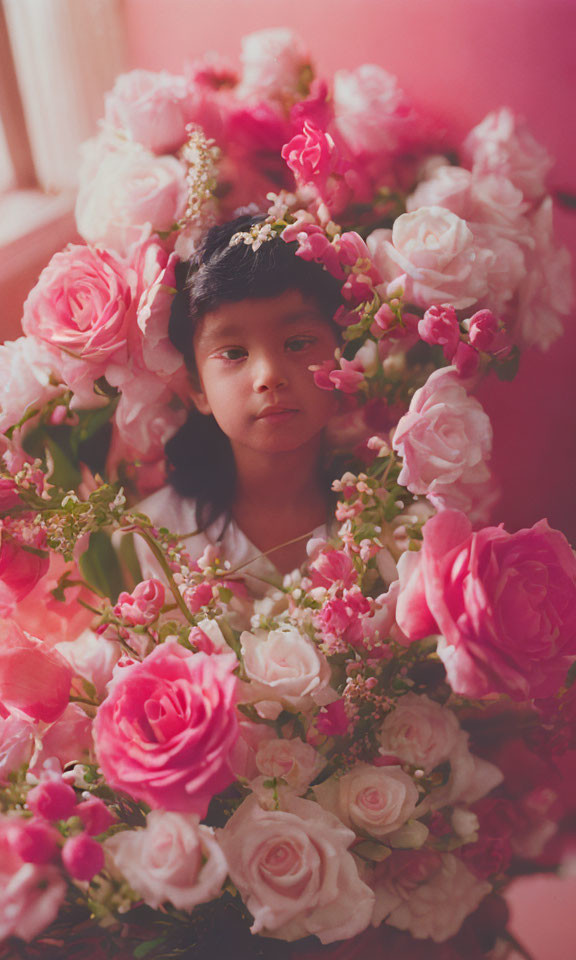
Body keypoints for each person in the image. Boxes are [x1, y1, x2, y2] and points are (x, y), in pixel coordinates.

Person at [135, 214, 343, 591]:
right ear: (197, 388)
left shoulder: (385, 517)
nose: (268, 376)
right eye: (233, 353)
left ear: (344, 359)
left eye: (297, 343)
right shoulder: (155, 536)